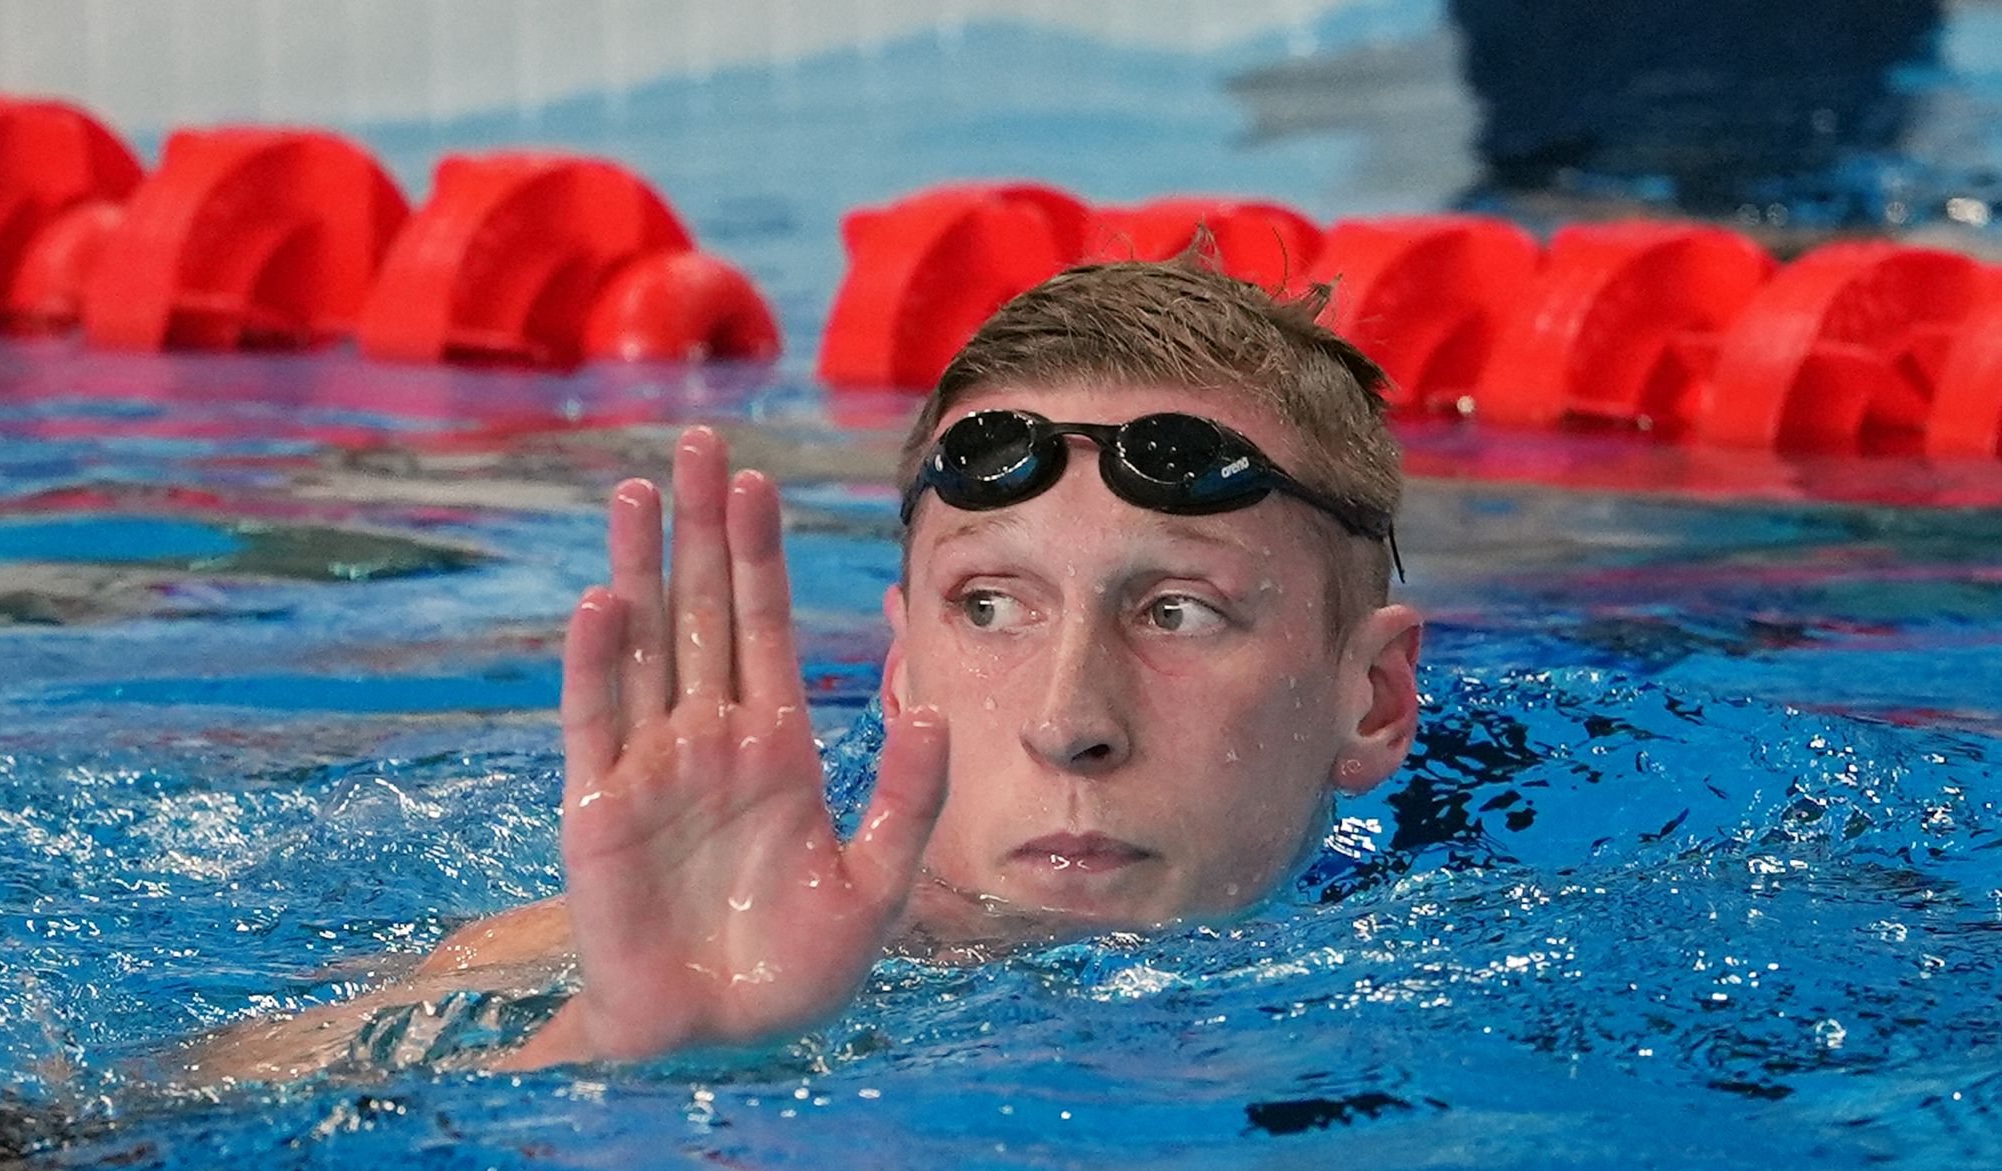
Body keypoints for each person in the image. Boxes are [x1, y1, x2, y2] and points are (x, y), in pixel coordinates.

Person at [194, 255, 1423, 1080]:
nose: (1068, 722)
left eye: (1177, 613)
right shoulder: (625, 945)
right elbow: (95, 1159)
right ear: (899, 675)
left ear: (1369, 702)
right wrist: (611, 1050)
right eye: (989, 606)